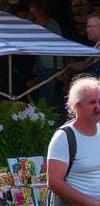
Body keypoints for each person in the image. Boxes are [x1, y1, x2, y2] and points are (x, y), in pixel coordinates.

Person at [46, 76, 100, 206]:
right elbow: (54, 183)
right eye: (92, 102)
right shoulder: (64, 137)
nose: (98, 107)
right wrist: (91, 203)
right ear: (77, 106)